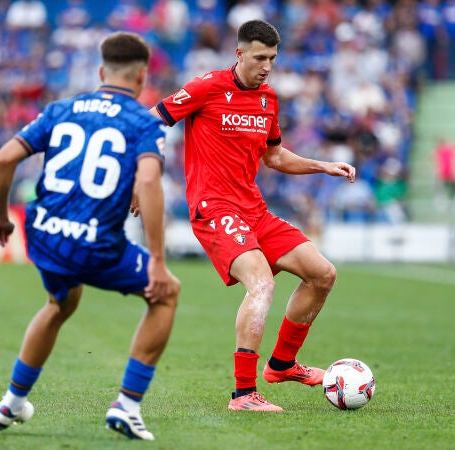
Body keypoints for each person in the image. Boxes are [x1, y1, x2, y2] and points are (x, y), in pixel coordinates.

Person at [151, 19, 355, 412]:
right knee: (261, 284)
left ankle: (281, 365)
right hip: (213, 208)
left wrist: (323, 165)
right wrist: (143, 174)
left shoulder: (268, 99)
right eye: (259, 57)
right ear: (239, 53)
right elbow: (150, 120)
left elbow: (274, 155)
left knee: (322, 273)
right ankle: (243, 394)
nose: (266, 66)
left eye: (273, 58)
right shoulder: (206, 86)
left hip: (254, 209)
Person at [0, 31, 180, 440]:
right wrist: (158, 261)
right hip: (97, 245)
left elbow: (4, 157)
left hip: (45, 237)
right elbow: (149, 180)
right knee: (166, 293)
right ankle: (127, 405)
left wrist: (0, 218)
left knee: (60, 302)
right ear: (143, 76)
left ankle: (12, 402)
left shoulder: (61, 109)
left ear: (100, 71)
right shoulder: (142, 121)